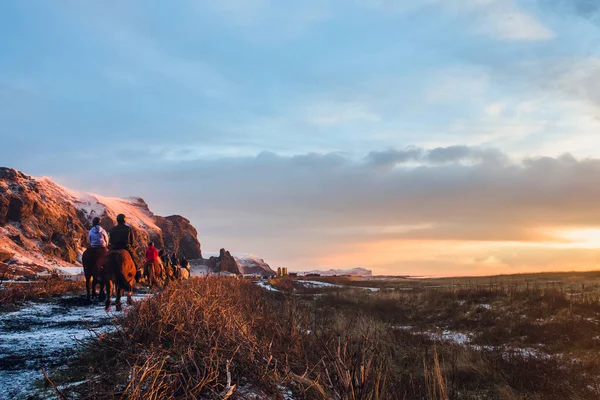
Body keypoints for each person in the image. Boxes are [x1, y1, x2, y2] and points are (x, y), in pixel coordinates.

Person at [109, 214, 141, 280]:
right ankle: (138, 274)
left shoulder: (113, 229)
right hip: (126, 247)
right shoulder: (128, 229)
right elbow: (132, 241)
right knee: (136, 259)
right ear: (124, 220)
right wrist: (132, 246)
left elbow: (111, 241)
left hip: (114, 248)